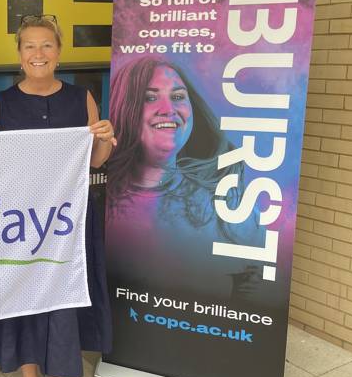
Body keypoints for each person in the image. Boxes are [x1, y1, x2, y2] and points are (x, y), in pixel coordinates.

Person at [0, 14, 115, 377]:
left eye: (47, 46)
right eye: (30, 46)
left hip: (70, 219)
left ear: (59, 53)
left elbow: (93, 161)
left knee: (65, 296)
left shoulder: (81, 98)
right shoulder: (0, 103)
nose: (39, 53)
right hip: (20, 222)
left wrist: (105, 139)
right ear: (19, 55)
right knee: (27, 296)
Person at [104, 57, 262, 302]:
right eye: (150, 97)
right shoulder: (99, 201)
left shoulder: (227, 201)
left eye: (178, 97)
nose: (168, 109)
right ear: (125, 108)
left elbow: (255, 291)